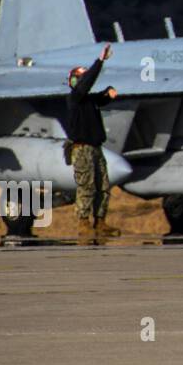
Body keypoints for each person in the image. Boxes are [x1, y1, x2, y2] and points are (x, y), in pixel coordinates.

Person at [66, 44, 120, 244]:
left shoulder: (88, 101)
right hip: (82, 150)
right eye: (81, 78)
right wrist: (100, 61)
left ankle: (100, 222)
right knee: (86, 186)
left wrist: (108, 93)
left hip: (95, 148)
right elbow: (85, 85)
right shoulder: (75, 99)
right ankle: (83, 224)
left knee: (103, 186)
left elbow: (100, 99)